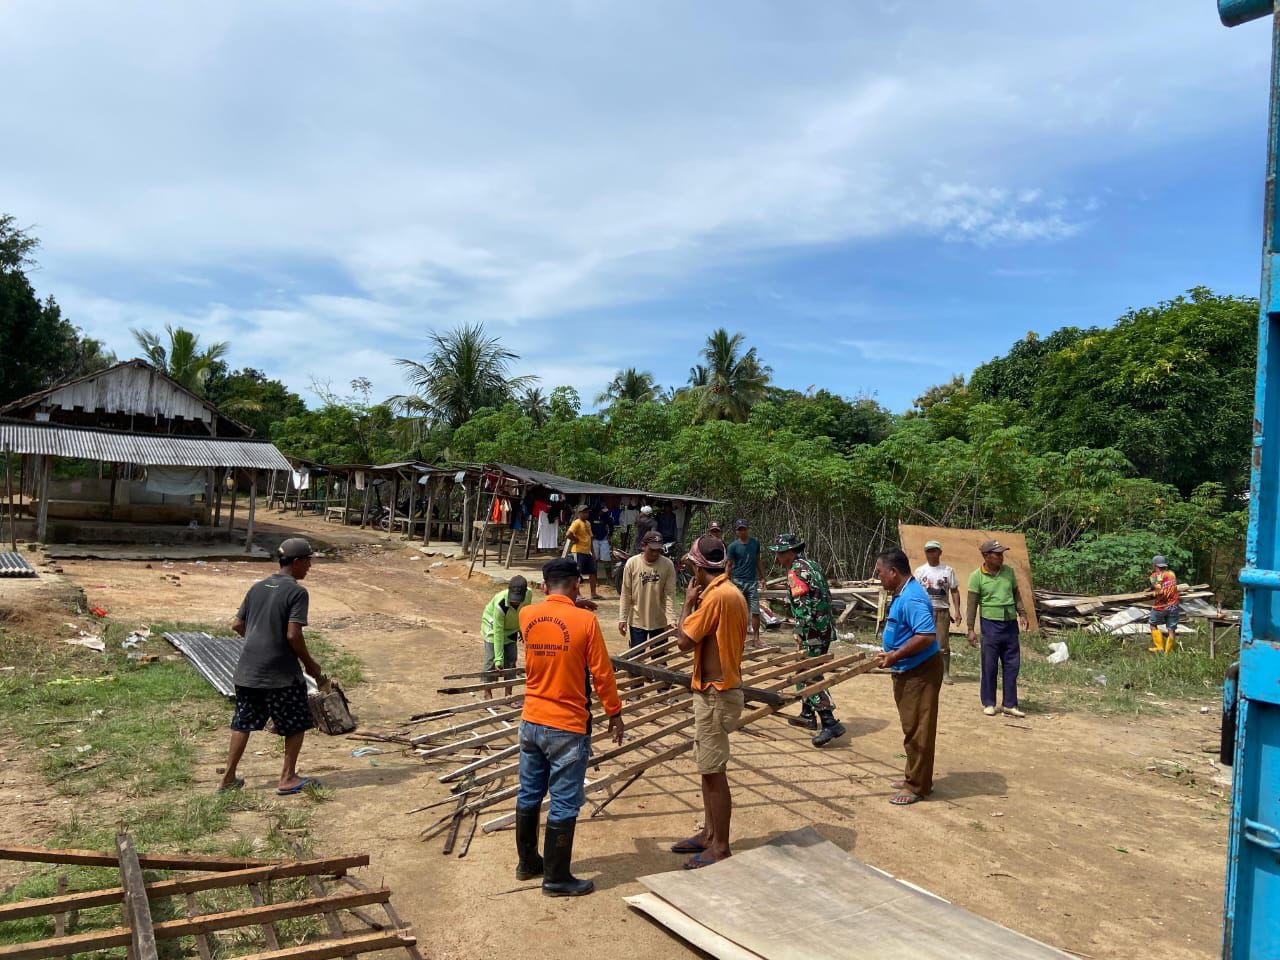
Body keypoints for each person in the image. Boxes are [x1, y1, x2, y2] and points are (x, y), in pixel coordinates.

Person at [515, 558, 625, 896]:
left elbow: (551, 627)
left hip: (531, 720)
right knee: (563, 801)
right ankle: (556, 878)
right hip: (567, 725)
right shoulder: (586, 621)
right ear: (577, 586)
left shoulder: (526, 615)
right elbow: (602, 673)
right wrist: (614, 712)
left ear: (544, 586)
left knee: (529, 792)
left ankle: (528, 863)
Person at [217, 538, 327, 796]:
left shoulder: (257, 587)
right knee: (297, 722)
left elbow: (237, 625)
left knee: (242, 723)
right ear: (297, 562)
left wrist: (259, 640)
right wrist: (310, 664)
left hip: (247, 671)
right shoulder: (297, 592)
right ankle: (288, 778)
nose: (310, 566)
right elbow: (293, 635)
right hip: (280, 674)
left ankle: (228, 778)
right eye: (308, 561)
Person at [671, 536, 748, 868]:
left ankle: (720, 846)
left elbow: (684, 640)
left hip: (717, 694)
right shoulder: (730, 592)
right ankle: (709, 834)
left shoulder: (716, 597)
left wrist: (688, 603)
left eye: (691, 565)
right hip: (716, 691)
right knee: (707, 767)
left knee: (714, 771)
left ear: (698, 566)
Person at [876, 547, 942, 806]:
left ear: (893, 572)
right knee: (911, 726)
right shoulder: (903, 593)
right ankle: (914, 776)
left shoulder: (912, 597)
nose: (879, 578)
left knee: (918, 729)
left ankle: (917, 786)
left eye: (880, 572)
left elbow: (926, 635)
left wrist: (894, 655)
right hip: (909, 669)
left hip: (920, 671)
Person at [770, 533, 846, 747]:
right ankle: (807, 714)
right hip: (824, 627)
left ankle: (829, 722)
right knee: (807, 668)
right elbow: (825, 595)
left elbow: (803, 606)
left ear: (790, 552)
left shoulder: (795, 572)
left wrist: (800, 631)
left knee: (808, 674)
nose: (777, 557)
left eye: (780, 553)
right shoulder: (811, 565)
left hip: (812, 631)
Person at [965, 539, 1029, 718]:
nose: (1001, 557)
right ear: (986, 556)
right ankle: (989, 702)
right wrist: (970, 629)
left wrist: (1022, 614)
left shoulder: (1008, 572)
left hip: (1010, 624)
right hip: (990, 625)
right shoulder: (977, 576)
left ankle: (1010, 704)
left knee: (1012, 664)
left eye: (1002, 554)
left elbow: (1016, 595)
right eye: (997, 554)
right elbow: (972, 604)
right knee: (990, 664)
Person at [913, 540, 962, 684]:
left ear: (940, 552)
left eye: (934, 550)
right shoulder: (920, 571)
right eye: (928, 551)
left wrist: (957, 611)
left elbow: (954, 591)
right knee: (922, 641)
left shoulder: (947, 571)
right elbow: (914, 592)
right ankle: (923, 671)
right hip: (924, 611)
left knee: (942, 643)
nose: (931, 554)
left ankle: (945, 673)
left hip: (942, 611)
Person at [618, 531, 676, 648]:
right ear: (643, 546)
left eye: (658, 550)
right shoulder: (632, 563)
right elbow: (626, 593)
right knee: (637, 655)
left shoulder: (668, 565)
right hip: (637, 620)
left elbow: (669, 594)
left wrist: (671, 619)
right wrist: (622, 618)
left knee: (659, 657)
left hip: (660, 621)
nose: (655, 553)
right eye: (652, 550)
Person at [481, 575, 531, 700]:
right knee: (491, 661)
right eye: (513, 599)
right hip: (493, 628)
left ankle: (508, 695)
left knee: (511, 660)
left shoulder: (529, 594)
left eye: (518, 599)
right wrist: (499, 659)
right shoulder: (500, 603)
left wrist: (521, 629)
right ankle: (487, 693)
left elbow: (525, 612)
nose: (515, 602)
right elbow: (498, 632)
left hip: (511, 629)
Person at [726, 519, 766, 648]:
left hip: (752, 581)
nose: (742, 531)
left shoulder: (755, 543)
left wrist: (762, 577)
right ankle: (738, 637)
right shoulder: (733, 546)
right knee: (739, 611)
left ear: (748, 529)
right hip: (738, 581)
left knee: (755, 611)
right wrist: (726, 580)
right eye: (739, 529)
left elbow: (758, 560)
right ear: (736, 531)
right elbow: (729, 565)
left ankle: (756, 638)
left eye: (744, 529)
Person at [564, 504, 599, 599]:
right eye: (584, 512)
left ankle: (593, 593)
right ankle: (578, 594)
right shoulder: (576, 523)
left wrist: (593, 553)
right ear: (579, 513)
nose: (586, 514)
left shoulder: (588, 523)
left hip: (587, 552)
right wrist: (575, 539)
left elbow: (590, 538)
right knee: (577, 573)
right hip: (578, 551)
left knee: (593, 572)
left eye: (587, 512)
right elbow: (568, 534)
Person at [1149, 555, 1180, 654]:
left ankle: (1159, 647)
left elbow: (1159, 590)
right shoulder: (1171, 574)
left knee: (1153, 624)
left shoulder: (1155, 576)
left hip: (1160, 607)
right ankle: (1167, 654)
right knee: (1171, 629)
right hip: (1174, 606)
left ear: (1155, 565)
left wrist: (1153, 593)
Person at [590, 508, 615, 575]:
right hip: (594, 539)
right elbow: (587, 525)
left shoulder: (606, 515)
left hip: (604, 538)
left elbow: (611, 525)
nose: (603, 512)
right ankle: (594, 577)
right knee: (594, 559)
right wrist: (590, 534)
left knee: (606, 559)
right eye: (602, 511)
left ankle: (609, 577)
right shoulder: (591, 515)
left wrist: (610, 535)